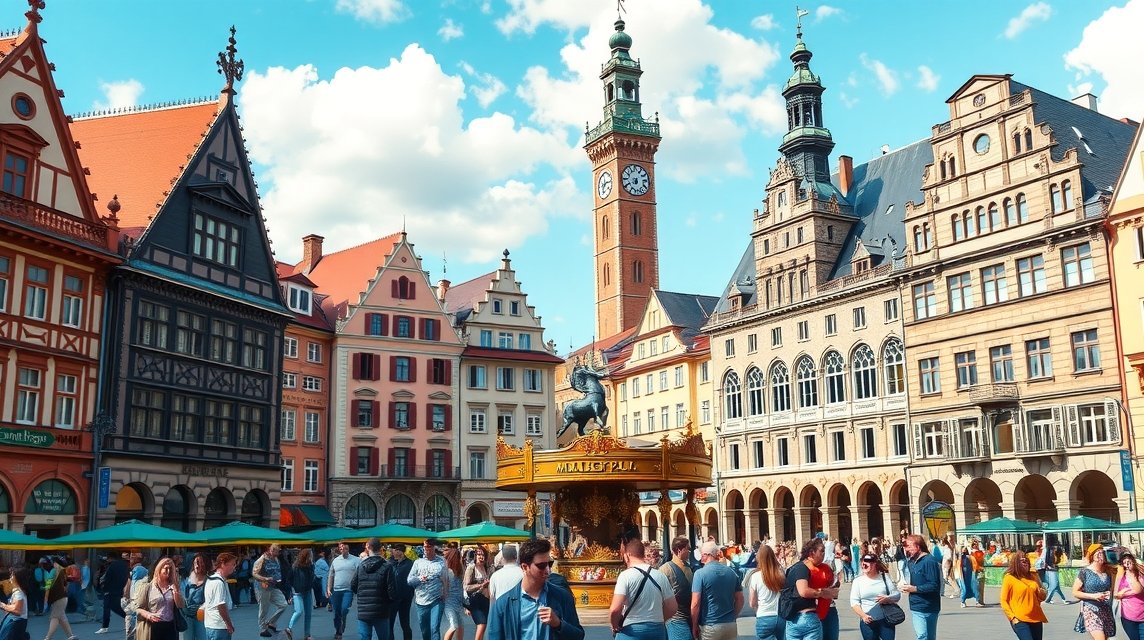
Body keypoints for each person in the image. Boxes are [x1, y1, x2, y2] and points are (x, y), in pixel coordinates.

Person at [485, 538, 583, 640]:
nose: (547, 570)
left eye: (549, 564)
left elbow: (579, 636)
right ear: (524, 567)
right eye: (541, 566)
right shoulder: (503, 604)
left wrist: (558, 624)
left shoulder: (562, 597)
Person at [608, 539, 675, 640]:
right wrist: (659, 619)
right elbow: (672, 607)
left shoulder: (625, 576)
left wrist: (614, 625)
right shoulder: (660, 575)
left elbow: (615, 609)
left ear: (627, 555)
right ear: (642, 554)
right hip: (657, 630)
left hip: (632, 629)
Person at [690, 540, 743, 640]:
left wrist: (694, 625)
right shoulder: (731, 572)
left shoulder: (700, 574)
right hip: (730, 625)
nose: (701, 558)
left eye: (702, 555)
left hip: (710, 625)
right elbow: (740, 599)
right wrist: (733, 616)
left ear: (706, 555)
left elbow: (695, 603)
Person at [784, 539, 836, 640]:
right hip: (807, 615)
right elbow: (804, 591)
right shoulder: (802, 568)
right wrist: (823, 593)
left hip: (822, 611)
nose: (824, 553)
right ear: (812, 552)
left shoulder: (825, 568)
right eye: (821, 551)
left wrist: (833, 588)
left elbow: (833, 589)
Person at [353, 538, 397, 640]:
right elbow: (392, 590)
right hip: (381, 610)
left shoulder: (361, 566)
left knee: (365, 637)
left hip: (363, 609)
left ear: (369, 548)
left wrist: (362, 595)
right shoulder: (387, 566)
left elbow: (353, 585)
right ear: (381, 549)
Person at [898, 534, 941, 640]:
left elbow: (934, 585)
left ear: (917, 546)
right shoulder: (911, 562)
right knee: (922, 636)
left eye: (908, 546)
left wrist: (915, 589)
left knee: (930, 637)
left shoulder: (929, 561)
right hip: (916, 605)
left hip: (931, 605)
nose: (906, 549)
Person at [849, 553, 901, 640]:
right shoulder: (857, 581)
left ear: (874, 564)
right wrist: (863, 616)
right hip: (868, 621)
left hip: (886, 620)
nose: (864, 564)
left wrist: (888, 598)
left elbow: (897, 595)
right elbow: (854, 602)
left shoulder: (884, 577)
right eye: (863, 562)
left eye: (868, 562)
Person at [133, 556, 186, 640]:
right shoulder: (148, 586)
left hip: (170, 626)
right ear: (159, 569)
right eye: (166, 568)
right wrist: (148, 615)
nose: (168, 571)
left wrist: (176, 591)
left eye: (170, 569)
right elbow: (137, 608)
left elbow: (180, 605)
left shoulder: (174, 585)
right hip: (153, 626)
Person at [1073, 543, 1116, 640]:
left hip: (1105, 609)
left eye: (1102, 553)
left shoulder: (1109, 571)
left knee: (1104, 638)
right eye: (1098, 553)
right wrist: (1094, 596)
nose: (1101, 555)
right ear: (1092, 556)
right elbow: (1075, 592)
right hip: (1090, 609)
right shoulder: (1084, 572)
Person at [1000, 552, 1047, 640]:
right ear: (1016, 563)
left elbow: (1042, 597)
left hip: (1036, 617)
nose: (1026, 562)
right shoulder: (1009, 578)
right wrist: (1012, 618)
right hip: (1020, 619)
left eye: (1027, 561)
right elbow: (1003, 600)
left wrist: (1042, 592)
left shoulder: (1033, 576)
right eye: (1022, 561)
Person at [408, 539, 447, 640]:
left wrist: (445, 592)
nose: (426, 549)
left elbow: (446, 578)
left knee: (434, 628)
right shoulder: (418, 562)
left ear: (434, 547)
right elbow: (409, 581)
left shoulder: (442, 561)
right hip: (421, 600)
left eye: (428, 547)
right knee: (424, 629)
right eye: (425, 547)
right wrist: (419, 579)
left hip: (437, 599)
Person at [746, 544, 785, 640]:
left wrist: (757, 610)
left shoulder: (755, 576)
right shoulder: (780, 573)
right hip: (780, 616)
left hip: (764, 616)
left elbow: (752, 603)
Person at [658, 537, 693, 640]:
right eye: (687, 548)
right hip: (676, 619)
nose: (689, 551)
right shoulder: (665, 569)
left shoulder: (688, 567)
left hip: (689, 616)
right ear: (679, 550)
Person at [252, 544, 289, 638]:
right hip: (262, 586)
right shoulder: (262, 559)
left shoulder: (276, 559)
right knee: (264, 608)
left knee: (283, 604)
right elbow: (254, 573)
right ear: (272, 550)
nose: (279, 552)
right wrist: (265, 578)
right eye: (278, 551)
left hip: (273, 586)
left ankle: (271, 622)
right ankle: (263, 628)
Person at [328, 541, 361, 640]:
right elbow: (331, 575)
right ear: (339, 549)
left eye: (345, 548)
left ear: (348, 548)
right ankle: (338, 631)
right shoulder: (335, 561)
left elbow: (360, 574)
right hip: (336, 590)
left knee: (344, 609)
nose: (343, 549)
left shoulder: (356, 560)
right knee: (336, 612)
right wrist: (328, 589)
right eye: (341, 548)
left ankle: (343, 620)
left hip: (348, 590)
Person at [203, 552, 238, 640]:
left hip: (211, 625)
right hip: (219, 626)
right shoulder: (218, 583)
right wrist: (229, 624)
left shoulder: (211, 579)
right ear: (223, 564)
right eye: (232, 564)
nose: (234, 568)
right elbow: (221, 606)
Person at [43, 557, 77, 640]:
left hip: (58, 598)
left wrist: (46, 599)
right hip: (62, 597)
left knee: (54, 617)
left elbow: (48, 586)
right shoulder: (62, 570)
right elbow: (66, 584)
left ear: (54, 563)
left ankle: (48, 638)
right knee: (62, 618)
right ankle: (70, 636)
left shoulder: (53, 571)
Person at [463, 546, 493, 640]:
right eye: (479, 554)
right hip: (476, 601)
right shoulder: (471, 568)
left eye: (483, 554)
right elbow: (466, 587)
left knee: (481, 626)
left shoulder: (487, 568)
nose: (481, 557)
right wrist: (481, 585)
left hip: (486, 600)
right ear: (475, 556)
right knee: (482, 624)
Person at [287, 549, 317, 640]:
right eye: (310, 555)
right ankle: (289, 628)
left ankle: (307, 635)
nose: (312, 557)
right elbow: (289, 579)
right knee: (299, 611)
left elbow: (312, 577)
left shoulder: (311, 566)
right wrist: (291, 593)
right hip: (298, 593)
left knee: (308, 614)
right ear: (306, 556)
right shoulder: (295, 567)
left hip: (307, 591)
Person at [1115, 550, 1144, 640]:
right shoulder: (1120, 576)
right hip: (1128, 617)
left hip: (1142, 617)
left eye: (1129, 561)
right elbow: (1116, 594)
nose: (1127, 564)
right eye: (1124, 562)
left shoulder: (1140, 574)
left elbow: (1139, 590)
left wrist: (1123, 592)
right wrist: (1122, 592)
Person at [0, 568, 33, 640]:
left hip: (16, 622)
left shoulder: (19, 593)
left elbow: (17, 611)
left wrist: (3, 606)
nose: (10, 578)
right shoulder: (19, 590)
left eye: (12, 576)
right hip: (16, 622)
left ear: (17, 578)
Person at [389, 544, 414, 640]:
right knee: (389, 624)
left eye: (397, 550)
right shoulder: (389, 562)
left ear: (401, 552)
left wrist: (410, 594)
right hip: (392, 597)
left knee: (405, 623)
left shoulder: (409, 563)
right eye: (394, 550)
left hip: (405, 598)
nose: (394, 552)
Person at [182, 554, 210, 640]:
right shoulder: (187, 580)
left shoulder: (209, 580)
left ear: (205, 564)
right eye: (195, 563)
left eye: (200, 563)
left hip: (202, 616)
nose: (197, 566)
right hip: (187, 616)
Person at [442, 548, 466, 640]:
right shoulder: (447, 571)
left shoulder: (459, 570)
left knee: (460, 625)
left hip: (458, 602)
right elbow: (444, 587)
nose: (460, 559)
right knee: (454, 626)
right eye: (459, 557)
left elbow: (462, 587)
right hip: (449, 602)